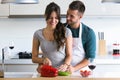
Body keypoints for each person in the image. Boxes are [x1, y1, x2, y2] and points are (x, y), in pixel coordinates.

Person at [32, 2, 72, 72]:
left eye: (56, 18)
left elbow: (69, 55)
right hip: (45, 71)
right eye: (50, 18)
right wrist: (43, 60)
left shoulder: (66, 32)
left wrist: (65, 65)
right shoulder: (38, 34)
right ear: (45, 16)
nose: (53, 21)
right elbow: (34, 58)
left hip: (61, 71)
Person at [65, 0, 96, 73]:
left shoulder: (88, 33)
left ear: (80, 17)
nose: (67, 18)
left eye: (72, 16)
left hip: (81, 72)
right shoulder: (61, 29)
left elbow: (90, 58)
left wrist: (74, 68)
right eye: (67, 14)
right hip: (63, 71)